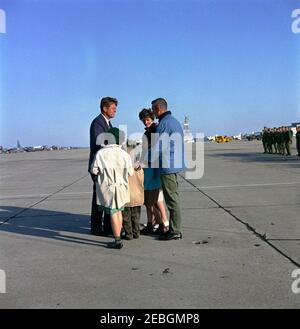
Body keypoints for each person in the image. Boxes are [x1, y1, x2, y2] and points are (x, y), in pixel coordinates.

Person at [90, 128, 134, 249]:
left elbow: (94, 170)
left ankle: (117, 240)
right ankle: (118, 235)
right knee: (119, 211)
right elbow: (130, 172)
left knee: (113, 212)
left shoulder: (101, 153)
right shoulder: (124, 154)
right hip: (122, 187)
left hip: (107, 187)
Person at [151, 98, 185, 241]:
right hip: (174, 164)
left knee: (172, 200)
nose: (152, 112)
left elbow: (158, 147)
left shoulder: (164, 124)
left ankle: (175, 230)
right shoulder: (174, 121)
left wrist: (142, 161)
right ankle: (173, 228)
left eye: (153, 109)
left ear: (158, 109)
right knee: (173, 198)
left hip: (167, 167)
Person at [89, 97, 117, 236]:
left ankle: (108, 227)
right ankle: (96, 228)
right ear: (104, 108)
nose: (115, 110)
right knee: (99, 198)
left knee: (106, 196)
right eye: (113, 108)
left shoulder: (107, 123)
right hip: (99, 166)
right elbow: (100, 143)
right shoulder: (98, 123)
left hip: (106, 165)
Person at [138, 109, 169, 236]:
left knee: (154, 199)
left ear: (152, 118)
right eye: (143, 120)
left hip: (153, 167)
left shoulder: (156, 130)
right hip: (150, 167)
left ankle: (163, 223)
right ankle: (154, 222)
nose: (146, 122)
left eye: (147, 119)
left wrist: (143, 161)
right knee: (153, 199)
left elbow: (154, 151)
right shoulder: (148, 132)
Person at [122, 148, 144, 240]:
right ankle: (136, 232)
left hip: (127, 196)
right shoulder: (140, 169)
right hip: (138, 196)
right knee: (136, 216)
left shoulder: (125, 169)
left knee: (126, 217)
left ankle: (128, 234)